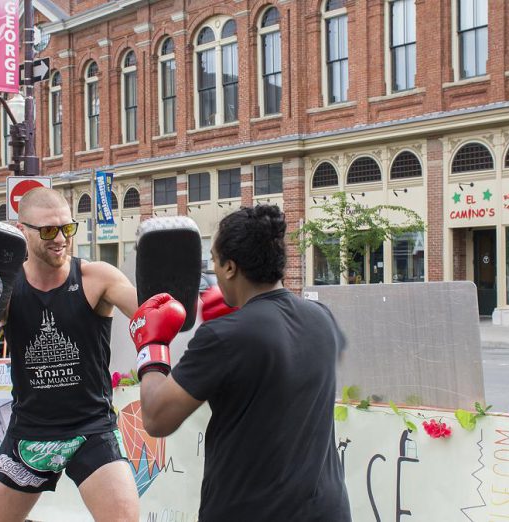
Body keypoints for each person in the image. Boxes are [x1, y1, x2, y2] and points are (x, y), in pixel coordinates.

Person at [130, 204, 351, 521]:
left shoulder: (226, 337)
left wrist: (151, 347)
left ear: (230, 267)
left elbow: (156, 418)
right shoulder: (323, 318)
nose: (214, 272)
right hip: (326, 511)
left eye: (216, 263)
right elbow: (275, 369)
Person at [0, 188, 139, 522]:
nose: (60, 238)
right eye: (49, 230)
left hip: (89, 429)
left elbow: (149, 314)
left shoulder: (97, 278)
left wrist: (179, 307)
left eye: (67, 228)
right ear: (22, 231)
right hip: (29, 434)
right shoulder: (6, 290)